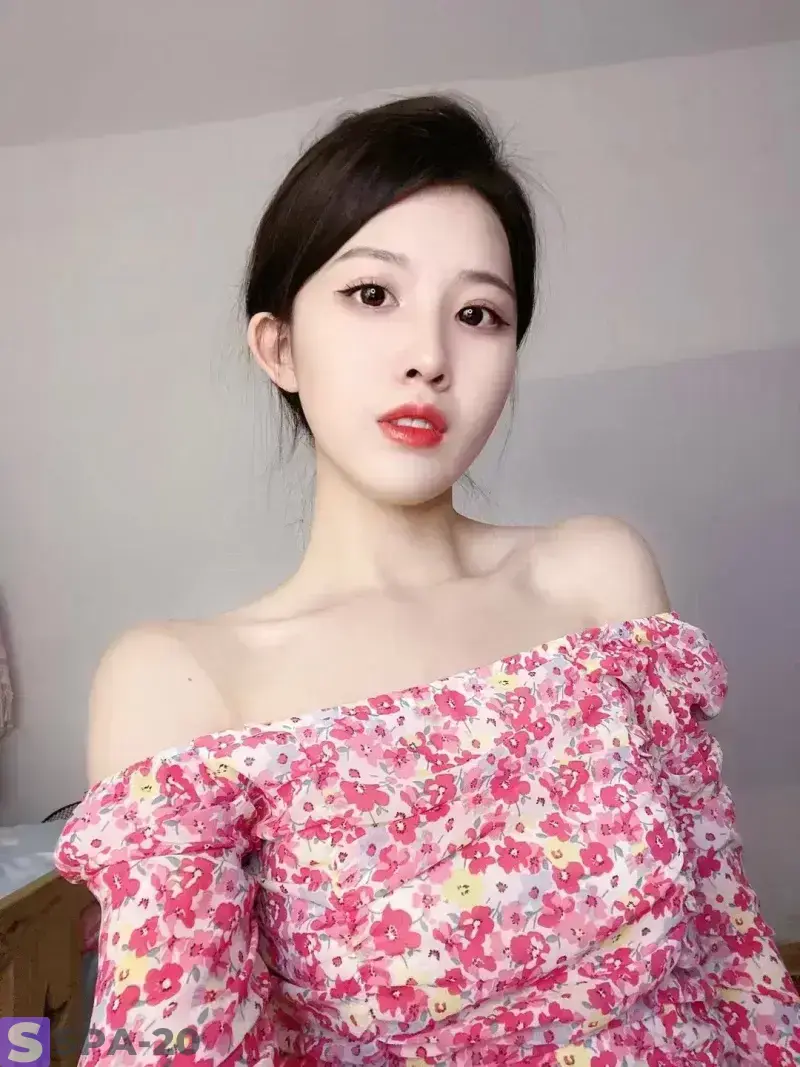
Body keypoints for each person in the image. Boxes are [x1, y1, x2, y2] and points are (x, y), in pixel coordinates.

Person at [55, 95, 800, 1066]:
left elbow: (727, 957)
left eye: (478, 314)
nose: (428, 358)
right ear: (279, 346)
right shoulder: (180, 681)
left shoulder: (598, 579)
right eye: (373, 294)